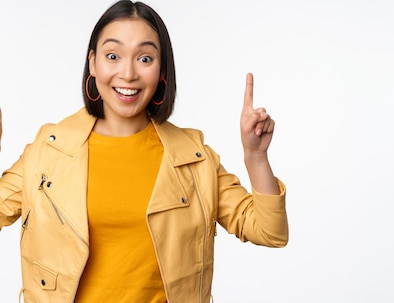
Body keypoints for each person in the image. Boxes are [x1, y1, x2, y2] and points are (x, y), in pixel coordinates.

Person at [0, 1, 288, 302]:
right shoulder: (49, 151)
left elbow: (270, 232)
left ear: (161, 70)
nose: (128, 73)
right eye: (113, 56)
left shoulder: (193, 158)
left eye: (145, 58)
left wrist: (256, 157)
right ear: (93, 62)